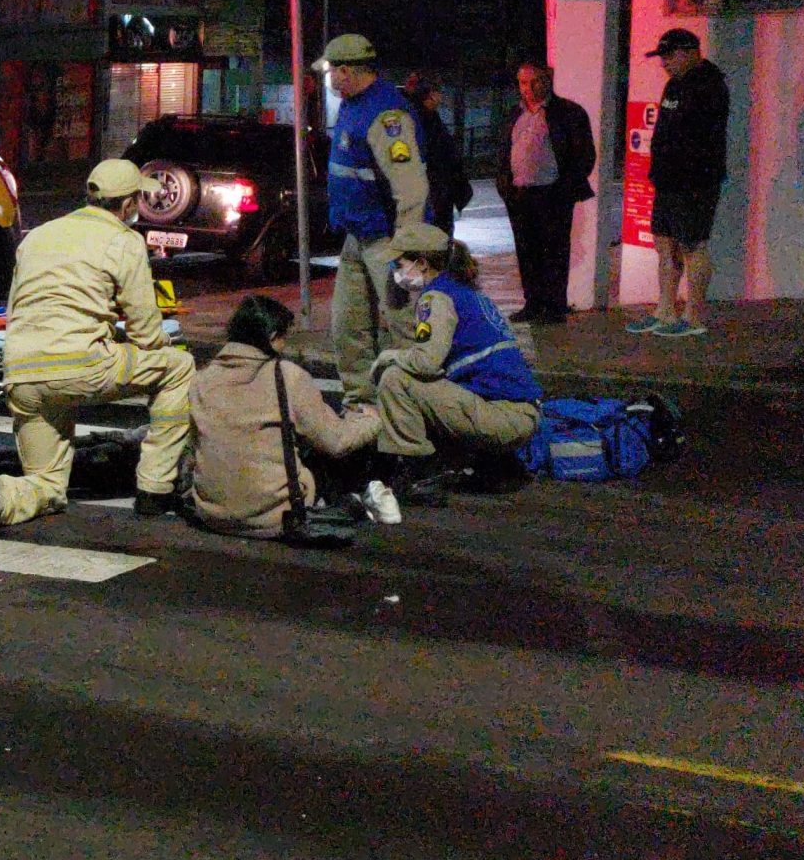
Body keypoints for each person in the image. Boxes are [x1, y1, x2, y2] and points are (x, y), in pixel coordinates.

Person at [0, 159, 194, 538]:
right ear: (129, 204)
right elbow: (146, 333)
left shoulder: (38, 236)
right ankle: (154, 489)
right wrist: (161, 348)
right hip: (82, 367)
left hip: (22, 373)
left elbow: (16, 310)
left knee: (47, 484)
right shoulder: (125, 241)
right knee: (179, 367)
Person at [185, 294, 382, 539]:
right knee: (334, 450)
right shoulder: (287, 376)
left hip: (213, 515)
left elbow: (194, 448)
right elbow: (336, 442)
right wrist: (371, 420)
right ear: (271, 338)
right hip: (275, 516)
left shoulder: (201, 379)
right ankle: (355, 499)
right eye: (283, 338)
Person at [370, 221, 543, 495]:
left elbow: (425, 362)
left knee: (395, 379)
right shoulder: (466, 291)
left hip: (503, 417)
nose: (396, 272)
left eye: (399, 264)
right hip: (520, 413)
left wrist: (388, 357)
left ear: (422, 264)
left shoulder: (435, 298)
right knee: (428, 384)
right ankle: (489, 463)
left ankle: (418, 473)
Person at [320, 35, 430, 404]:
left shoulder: (387, 116)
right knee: (348, 327)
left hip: (388, 241)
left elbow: (411, 191)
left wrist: (407, 256)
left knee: (403, 326)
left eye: (333, 71)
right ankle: (362, 407)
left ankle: (413, 408)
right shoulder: (354, 105)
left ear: (346, 72)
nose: (331, 78)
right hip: (358, 237)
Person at [633, 28, 729, 339]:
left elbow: (701, 138)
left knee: (692, 244)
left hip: (695, 181)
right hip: (668, 179)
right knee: (664, 243)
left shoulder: (709, 85)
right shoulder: (674, 85)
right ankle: (665, 309)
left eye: (670, 55)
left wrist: (688, 170)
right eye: (662, 56)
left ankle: (694, 314)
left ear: (689, 51)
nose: (664, 62)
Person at [497, 62, 595, 324]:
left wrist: (564, 189)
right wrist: (505, 186)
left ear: (547, 80)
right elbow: (504, 152)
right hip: (520, 194)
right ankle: (533, 303)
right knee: (526, 251)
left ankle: (553, 307)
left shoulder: (568, 113)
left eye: (534, 81)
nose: (527, 88)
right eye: (522, 82)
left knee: (554, 251)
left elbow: (584, 155)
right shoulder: (514, 114)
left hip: (552, 194)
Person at [402, 72, 473, 230]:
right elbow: (444, 158)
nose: (441, 96)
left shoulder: (417, 117)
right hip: (435, 195)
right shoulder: (427, 121)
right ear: (431, 95)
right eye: (438, 92)